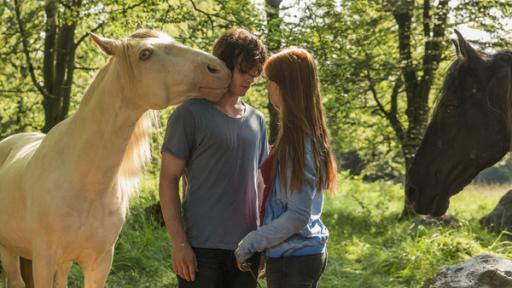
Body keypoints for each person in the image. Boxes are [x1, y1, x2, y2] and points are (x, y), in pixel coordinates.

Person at [158, 28, 268, 288]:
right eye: (244, 70)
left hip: (247, 249)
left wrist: (263, 240)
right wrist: (179, 243)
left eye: (255, 72)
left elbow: (262, 183)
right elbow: (167, 180)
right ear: (224, 66)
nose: (250, 79)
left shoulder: (257, 120)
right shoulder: (189, 114)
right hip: (200, 250)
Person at [235, 48, 337, 288]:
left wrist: (252, 242)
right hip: (299, 255)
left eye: (270, 81)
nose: (267, 87)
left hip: (295, 261)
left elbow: (298, 215)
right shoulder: (307, 136)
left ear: (283, 87)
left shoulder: (297, 143)